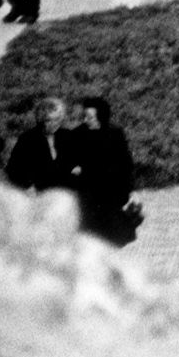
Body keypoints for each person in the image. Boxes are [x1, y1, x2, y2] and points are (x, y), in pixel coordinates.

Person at [67, 96, 137, 246]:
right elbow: (69, 160)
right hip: (88, 189)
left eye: (90, 117)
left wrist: (126, 190)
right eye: (84, 116)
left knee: (112, 234)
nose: (86, 120)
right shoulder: (77, 134)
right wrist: (74, 168)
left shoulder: (115, 133)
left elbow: (125, 163)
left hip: (110, 189)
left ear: (101, 116)